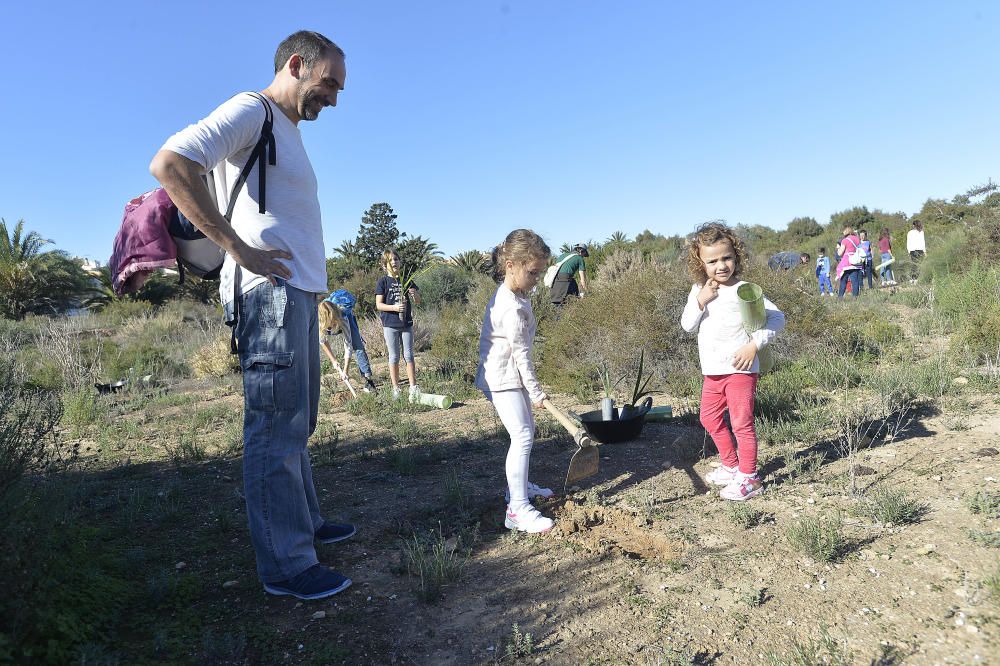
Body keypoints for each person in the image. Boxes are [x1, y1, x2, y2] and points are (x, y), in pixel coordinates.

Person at [149, 31, 355, 600]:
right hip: (266, 296)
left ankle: (306, 527)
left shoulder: (284, 129)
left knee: (298, 422)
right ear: (297, 65)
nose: (334, 98)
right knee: (274, 427)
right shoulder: (252, 109)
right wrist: (238, 249)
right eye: (329, 83)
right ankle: (287, 566)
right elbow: (170, 163)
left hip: (298, 296)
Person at [680, 222, 784, 501]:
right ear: (701, 263)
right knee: (708, 418)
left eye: (726, 258)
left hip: (741, 369)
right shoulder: (699, 290)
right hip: (713, 370)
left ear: (736, 256)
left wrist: (754, 345)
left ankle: (750, 478)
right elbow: (688, 325)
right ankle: (730, 465)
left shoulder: (745, 289)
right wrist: (700, 300)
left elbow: (777, 317)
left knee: (742, 423)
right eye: (712, 261)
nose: (721, 265)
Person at [476, 229, 556, 532]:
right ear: (511, 265)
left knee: (527, 432)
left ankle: (518, 488)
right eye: (533, 272)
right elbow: (522, 355)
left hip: (509, 374)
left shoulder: (516, 295)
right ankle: (518, 510)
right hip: (502, 377)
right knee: (522, 436)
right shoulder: (510, 306)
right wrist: (536, 392)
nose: (537, 279)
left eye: (540, 272)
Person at [375, 249, 421, 399]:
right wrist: (394, 308)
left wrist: (415, 295)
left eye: (396, 259)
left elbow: (418, 301)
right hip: (390, 324)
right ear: (384, 265)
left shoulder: (406, 279)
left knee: (409, 355)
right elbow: (379, 305)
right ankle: (396, 388)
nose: (394, 262)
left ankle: (413, 387)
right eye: (390, 260)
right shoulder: (383, 282)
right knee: (394, 356)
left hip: (406, 323)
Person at [318, 296, 377, 393]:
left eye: (333, 322)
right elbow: (322, 341)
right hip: (327, 321)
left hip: (345, 318)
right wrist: (334, 361)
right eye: (330, 323)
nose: (332, 325)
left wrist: (345, 370)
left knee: (358, 346)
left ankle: (368, 381)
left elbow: (348, 345)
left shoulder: (343, 316)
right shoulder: (319, 321)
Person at [835, 225, 863, 298]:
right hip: (856, 262)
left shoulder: (845, 240)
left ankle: (840, 297)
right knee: (855, 281)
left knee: (843, 281)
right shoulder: (857, 239)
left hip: (847, 263)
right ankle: (855, 297)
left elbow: (840, 253)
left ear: (846, 231)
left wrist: (838, 248)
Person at [906, 219, 927, 284]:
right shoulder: (921, 232)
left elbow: (908, 242)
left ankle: (913, 278)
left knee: (914, 264)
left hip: (912, 250)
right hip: (920, 250)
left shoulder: (909, 232)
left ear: (913, 225)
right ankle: (916, 279)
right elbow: (923, 243)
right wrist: (925, 252)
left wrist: (909, 251)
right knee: (919, 264)